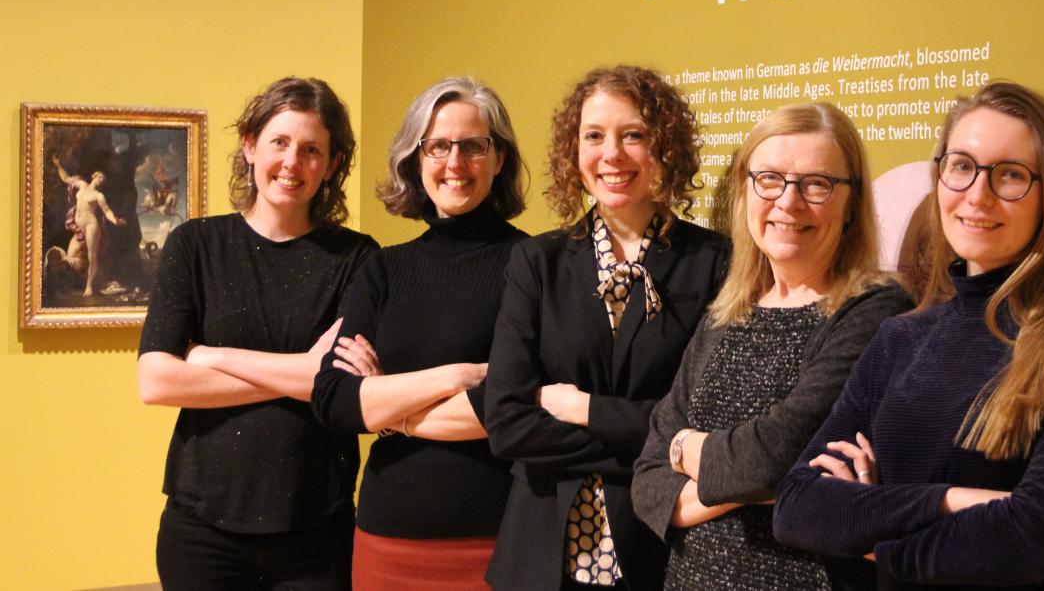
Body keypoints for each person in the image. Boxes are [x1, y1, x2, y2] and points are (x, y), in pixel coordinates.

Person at [772, 82, 1044, 590]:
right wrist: (951, 500)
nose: (977, 195)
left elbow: (1034, 537)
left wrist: (868, 529)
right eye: (961, 166)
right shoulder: (900, 338)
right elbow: (799, 507)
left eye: (1010, 175)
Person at [631, 103, 913, 590]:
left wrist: (686, 450)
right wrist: (757, 479)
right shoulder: (728, 311)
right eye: (769, 179)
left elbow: (775, 458)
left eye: (817, 183)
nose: (789, 201)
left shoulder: (873, 312)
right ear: (746, 192)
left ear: (851, 203)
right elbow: (647, 480)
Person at [484, 65, 730, 591]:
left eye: (633, 135)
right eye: (594, 136)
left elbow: (708, 423)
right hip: (540, 554)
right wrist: (654, 438)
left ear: (665, 147)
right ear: (573, 152)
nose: (611, 154)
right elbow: (506, 423)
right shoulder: (536, 261)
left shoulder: (713, 262)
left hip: (659, 549)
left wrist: (585, 410)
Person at [137, 77, 380, 590]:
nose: (293, 163)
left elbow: (340, 389)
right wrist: (300, 372)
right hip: (201, 531)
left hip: (317, 529)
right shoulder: (194, 245)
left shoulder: (358, 258)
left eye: (312, 150)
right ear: (250, 145)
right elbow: (157, 382)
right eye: (280, 143)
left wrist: (209, 354)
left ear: (332, 164)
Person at [310, 77, 530, 590]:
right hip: (388, 540)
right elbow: (335, 402)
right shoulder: (384, 269)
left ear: (499, 159)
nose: (455, 162)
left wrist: (389, 407)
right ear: (416, 158)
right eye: (438, 146)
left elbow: (516, 407)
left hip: (499, 537)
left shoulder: (535, 264)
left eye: (473, 146)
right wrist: (454, 376)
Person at [50, 157, 127, 295]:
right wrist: (58, 165)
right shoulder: (82, 184)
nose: (101, 180)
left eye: (103, 180)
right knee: (70, 255)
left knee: (92, 256)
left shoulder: (99, 196)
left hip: (91, 225)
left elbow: (107, 211)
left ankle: (89, 286)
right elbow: (66, 178)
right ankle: (69, 280)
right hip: (78, 227)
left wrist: (115, 221)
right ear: (94, 176)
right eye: (100, 177)